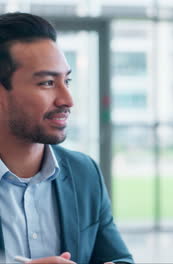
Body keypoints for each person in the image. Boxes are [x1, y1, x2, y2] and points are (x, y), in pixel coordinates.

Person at [0, 12, 133, 264]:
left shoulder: (84, 172)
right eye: (48, 83)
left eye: (67, 80)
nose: (67, 100)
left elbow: (120, 259)